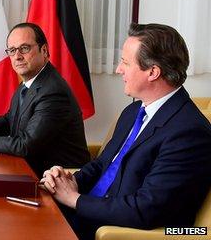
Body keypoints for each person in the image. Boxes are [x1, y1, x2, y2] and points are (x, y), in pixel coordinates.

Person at [41, 23, 211, 240]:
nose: (118, 69)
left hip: (116, 231)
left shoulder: (189, 133)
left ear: (153, 72)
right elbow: (103, 165)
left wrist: (74, 199)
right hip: (88, 214)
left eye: (125, 62)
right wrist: (70, 182)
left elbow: (145, 209)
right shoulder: (134, 110)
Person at [0, 23, 90, 176]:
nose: (17, 56)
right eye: (12, 50)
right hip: (29, 169)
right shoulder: (31, 81)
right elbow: (10, 118)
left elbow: (25, 146)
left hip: (58, 180)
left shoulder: (53, 92)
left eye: (24, 48)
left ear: (44, 50)